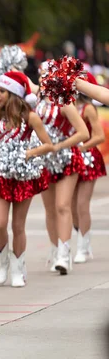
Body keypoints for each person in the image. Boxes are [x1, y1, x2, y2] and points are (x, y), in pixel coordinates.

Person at [0, 72, 53, 287]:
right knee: (0, 223)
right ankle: (3, 261)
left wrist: (29, 153)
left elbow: (48, 144)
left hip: (23, 174)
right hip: (0, 173)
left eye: (2, 91)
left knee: (18, 225)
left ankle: (18, 266)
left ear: (14, 94)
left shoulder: (30, 117)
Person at [35, 67, 89, 275]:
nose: (41, 82)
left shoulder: (65, 104)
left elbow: (83, 132)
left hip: (66, 159)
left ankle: (65, 255)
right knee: (50, 210)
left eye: (44, 78)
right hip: (45, 161)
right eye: (39, 79)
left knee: (62, 206)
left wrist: (59, 146)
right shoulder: (37, 104)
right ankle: (56, 249)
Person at [72, 73, 106, 264]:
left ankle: (84, 247)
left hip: (88, 159)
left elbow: (99, 136)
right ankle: (80, 238)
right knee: (69, 205)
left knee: (82, 204)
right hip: (70, 159)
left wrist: (82, 147)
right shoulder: (66, 107)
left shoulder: (88, 109)